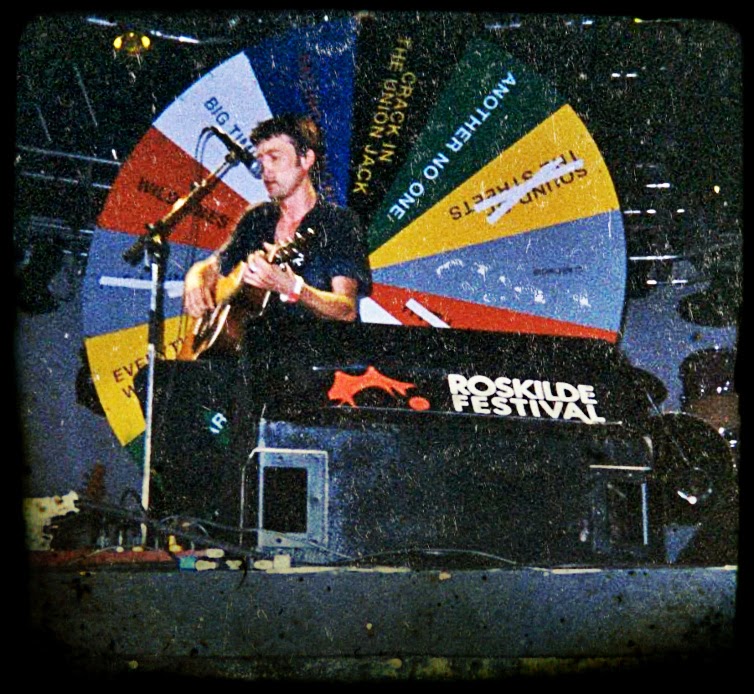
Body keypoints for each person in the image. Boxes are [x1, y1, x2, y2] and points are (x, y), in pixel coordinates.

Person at [182, 113, 372, 349]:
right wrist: (195, 277)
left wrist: (293, 289)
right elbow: (214, 266)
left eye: (274, 158)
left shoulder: (338, 222)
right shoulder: (258, 217)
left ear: (306, 159)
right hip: (251, 354)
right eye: (260, 160)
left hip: (315, 354)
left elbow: (346, 310)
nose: (265, 169)